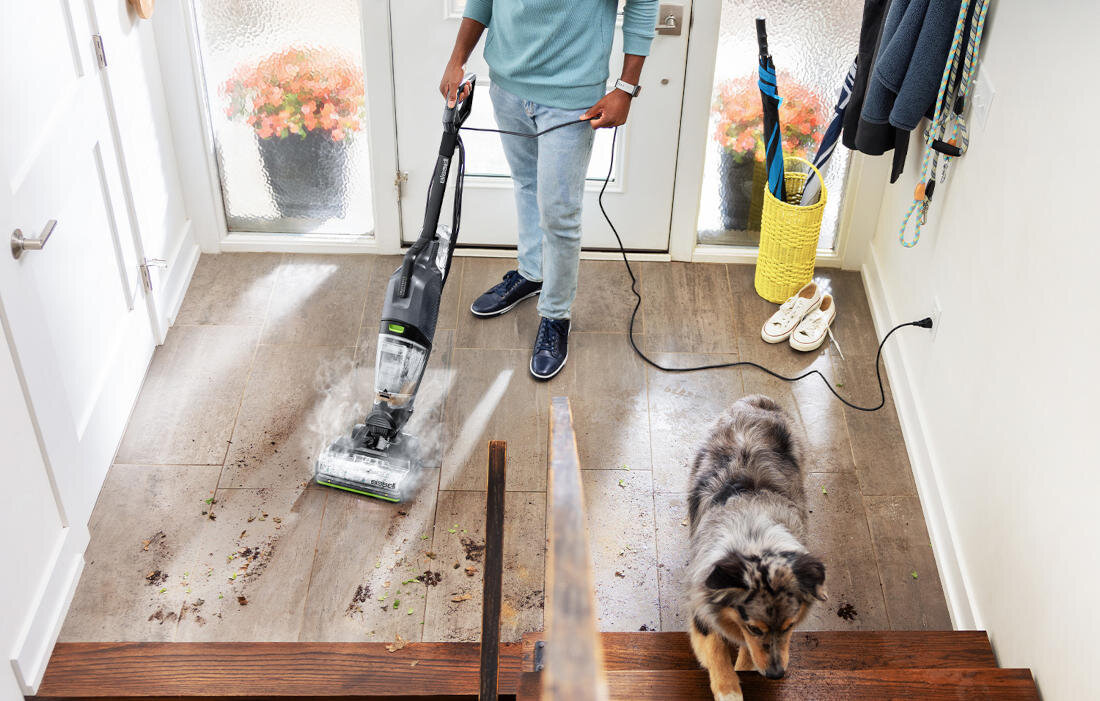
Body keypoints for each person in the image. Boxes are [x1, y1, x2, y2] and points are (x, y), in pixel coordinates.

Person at [441, 0, 658, 380]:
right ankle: (532, 272)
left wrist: (626, 87)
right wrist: (456, 59)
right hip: (507, 85)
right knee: (526, 184)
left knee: (560, 213)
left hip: (572, 95)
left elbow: (643, 2)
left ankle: (556, 314)